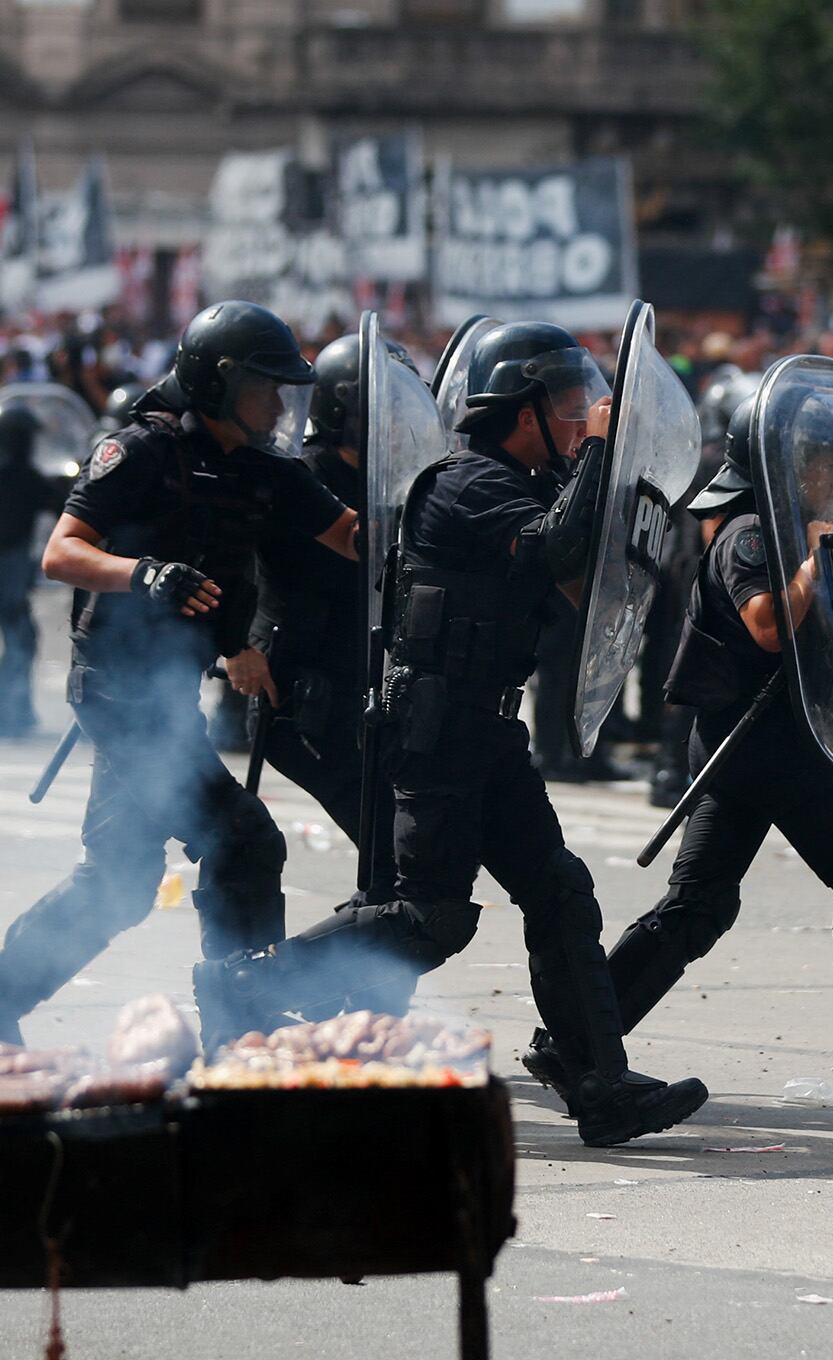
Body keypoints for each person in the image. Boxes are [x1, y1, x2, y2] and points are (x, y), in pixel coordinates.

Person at [197, 320, 710, 1146]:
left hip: (489, 728)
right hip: (435, 730)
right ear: (522, 411)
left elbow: (586, 578)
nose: (580, 415)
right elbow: (555, 547)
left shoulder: (524, 485)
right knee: (430, 915)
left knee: (559, 890)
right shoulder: (465, 484)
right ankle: (248, 986)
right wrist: (598, 451)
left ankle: (599, 1085)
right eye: (566, 404)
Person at [535, 387, 833, 1117]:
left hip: (759, 745)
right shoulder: (750, 534)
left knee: (698, 906)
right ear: (785, 465)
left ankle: (573, 1043)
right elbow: (768, 625)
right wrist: (817, 562)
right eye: (824, 461)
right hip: (759, 745)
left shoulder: (798, 528)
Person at [0, 302, 354, 1046]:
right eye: (265, 388)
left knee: (120, 883)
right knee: (243, 839)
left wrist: (435, 510)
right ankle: (242, 1031)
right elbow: (62, 552)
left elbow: (352, 535)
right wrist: (143, 573)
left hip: (171, 692)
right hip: (118, 691)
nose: (278, 406)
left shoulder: (263, 469)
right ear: (219, 383)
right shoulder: (140, 453)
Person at [228, 332, 404, 903]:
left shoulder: (386, 481)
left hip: (362, 692)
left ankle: (360, 955)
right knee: (396, 861)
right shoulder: (299, 475)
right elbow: (229, 561)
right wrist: (236, 645)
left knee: (405, 864)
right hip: (300, 700)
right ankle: (307, 960)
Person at [0, 405, 63, 737]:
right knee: (21, 640)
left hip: (12, 571)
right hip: (8, 573)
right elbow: (59, 501)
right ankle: (11, 713)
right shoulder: (23, 475)